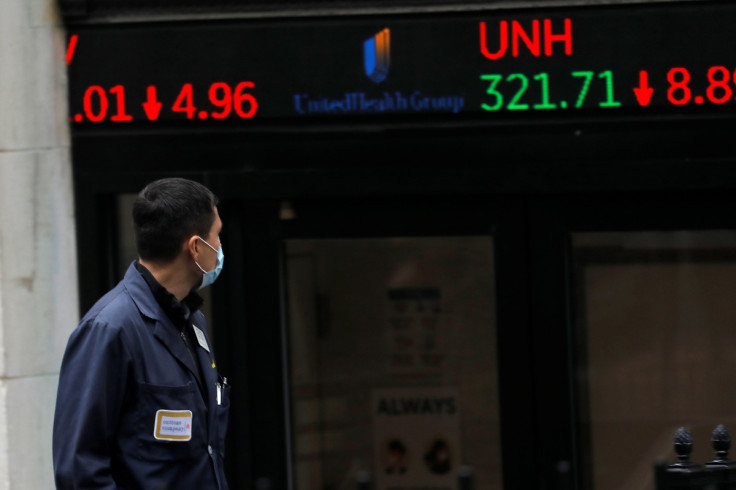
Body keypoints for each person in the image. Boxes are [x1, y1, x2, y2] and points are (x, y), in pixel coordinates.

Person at [53, 177, 230, 489]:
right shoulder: (109, 329)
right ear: (195, 247)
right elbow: (79, 472)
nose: (218, 248)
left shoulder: (192, 323)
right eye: (216, 237)